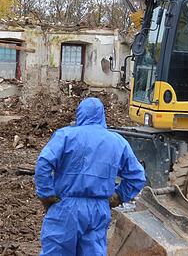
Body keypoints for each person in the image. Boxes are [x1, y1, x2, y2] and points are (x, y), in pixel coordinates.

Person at [34, 97, 146, 255]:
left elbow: (44, 163)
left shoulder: (65, 136)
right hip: (98, 210)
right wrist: (119, 196)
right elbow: (137, 176)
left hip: (66, 208)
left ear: (79, 114)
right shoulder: (117, 142)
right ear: (102, 116)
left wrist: (46, 194)